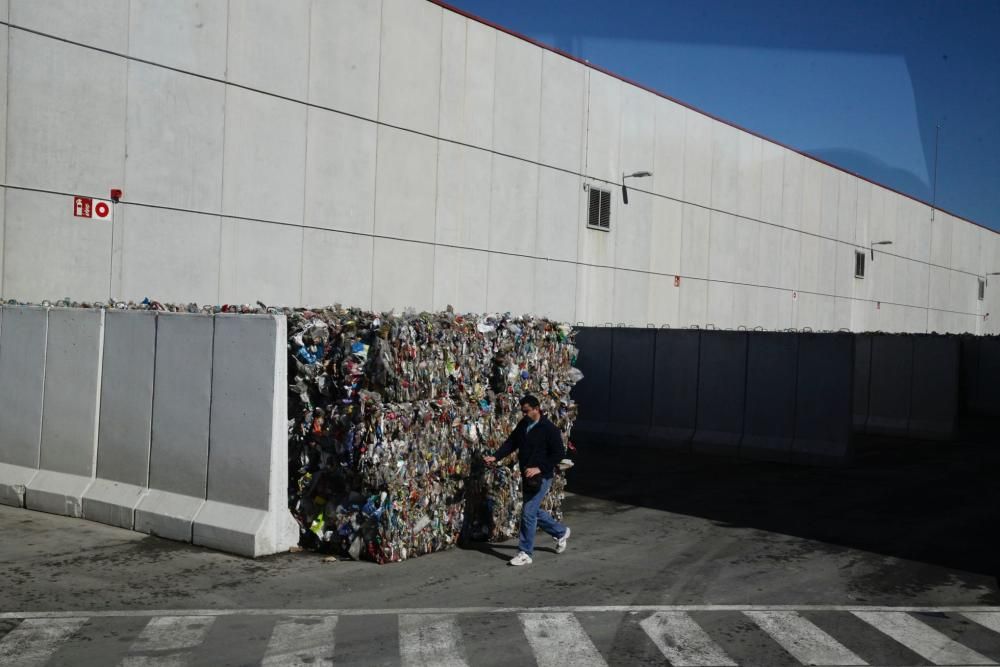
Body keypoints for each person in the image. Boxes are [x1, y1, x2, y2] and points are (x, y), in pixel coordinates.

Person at [484, 394, 570, 566]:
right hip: (527, 476)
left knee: (528, 512)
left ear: (536, 409)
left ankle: (525, 552)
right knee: (532, 510)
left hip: (542, 476)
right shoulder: (524, 425)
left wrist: (539, 468)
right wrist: (496, 457)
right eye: (522, 411)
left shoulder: (549, 429)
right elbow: (511, 442)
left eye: (526, 411)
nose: (524, 414)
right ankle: (560, 532)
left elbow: (559, 454)